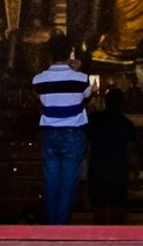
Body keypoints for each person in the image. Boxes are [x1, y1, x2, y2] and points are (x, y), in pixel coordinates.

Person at [29, 35, 98, 224]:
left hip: (49, 134)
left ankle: (51, 226)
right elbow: (86, 98)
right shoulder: (82, 79)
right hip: (73, 135)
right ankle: (62, 226)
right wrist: (77, 69)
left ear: (49, 54)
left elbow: (40, 101)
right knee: (69, 183)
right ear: (70, 53)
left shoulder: (38, 80)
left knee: (51, 182)